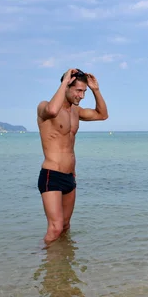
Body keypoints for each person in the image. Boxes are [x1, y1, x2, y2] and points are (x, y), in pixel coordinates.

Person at [36, 68, 108, 244]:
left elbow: (102, 115)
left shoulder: (76, 112)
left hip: (69, 176)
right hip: (51, 174)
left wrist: (96, 90)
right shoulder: (44, 106)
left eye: (84, 91)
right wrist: (64, 81)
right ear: (67, 86)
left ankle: (63, 263)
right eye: (78, 91)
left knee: (66, 226)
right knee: (55, 228)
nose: (82, 96)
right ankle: (44, 263)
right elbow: (52, 111)